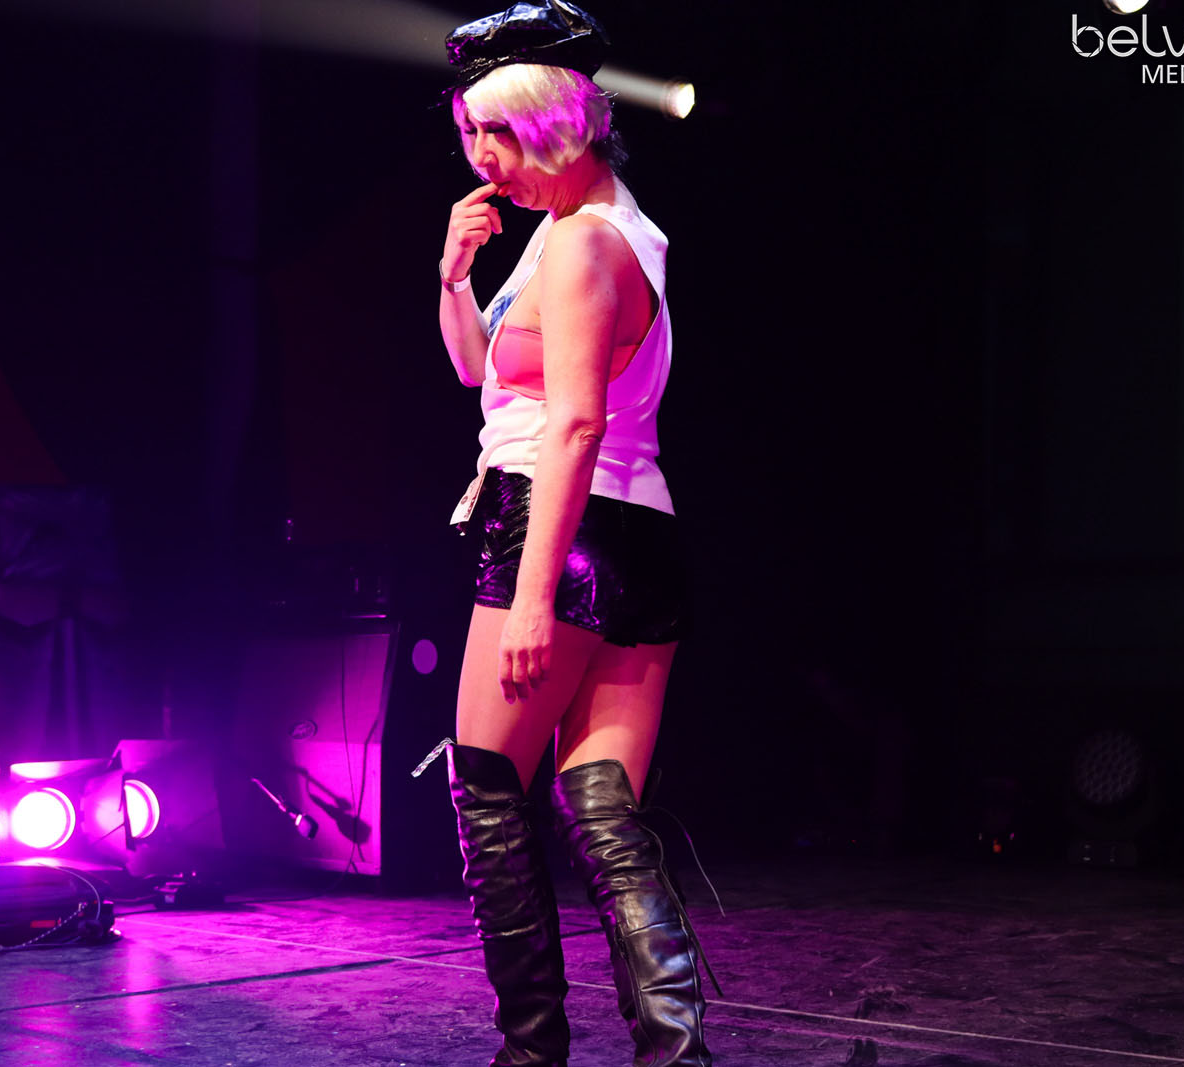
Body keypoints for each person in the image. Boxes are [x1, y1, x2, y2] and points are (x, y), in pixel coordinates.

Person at [433, 3, 713, 1066]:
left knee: (486, 782)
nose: (481, 159)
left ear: (554, 125)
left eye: (497, 135)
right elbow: (485, 373)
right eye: (470, 134)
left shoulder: (584, 244)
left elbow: (575, 424)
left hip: (562, 525)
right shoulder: (595, 229)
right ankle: (673, 1049)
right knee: (601, 806)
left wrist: (534, 595)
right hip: (640, 535)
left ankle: (532, 1048)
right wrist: (455, 280)